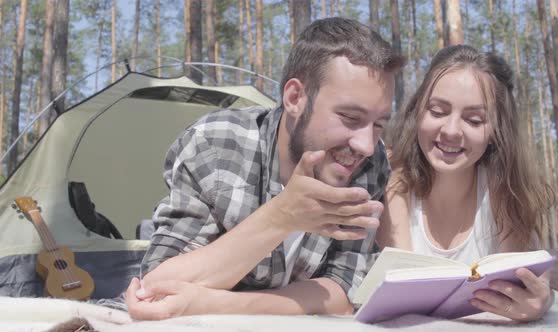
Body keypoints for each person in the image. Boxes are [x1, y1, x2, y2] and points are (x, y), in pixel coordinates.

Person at [125, 17, 403, 320]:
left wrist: (217, 303)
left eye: (378, 125)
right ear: (295, 97)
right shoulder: (217, 145)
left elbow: (345, 290)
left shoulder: (370, 165)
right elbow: (155, 288)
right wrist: (280, 217)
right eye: (350, 117)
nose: (365, 144)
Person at [377, 45, 558, 322]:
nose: (451, 131)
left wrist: (540, 300)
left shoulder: (503, 189)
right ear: (418, 112)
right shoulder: (394, 179)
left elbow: (525, 285)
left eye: (474, 120)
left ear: (496, 131)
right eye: (438, 111)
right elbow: (402, 293)